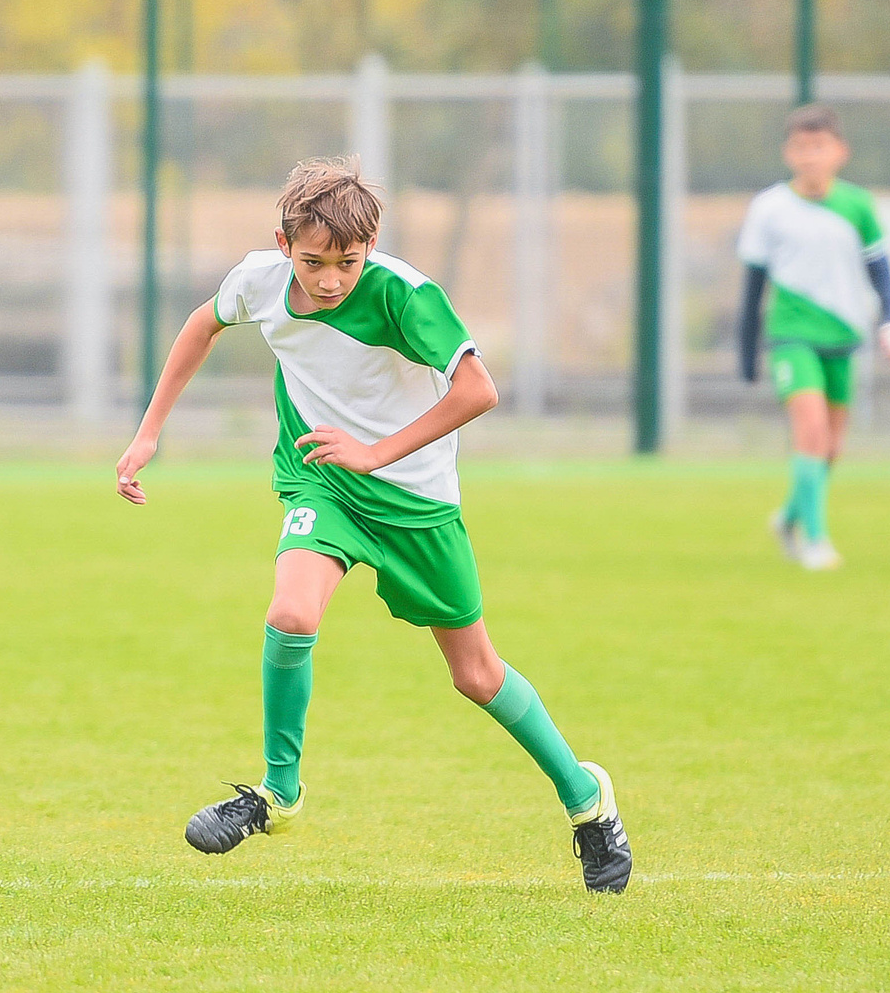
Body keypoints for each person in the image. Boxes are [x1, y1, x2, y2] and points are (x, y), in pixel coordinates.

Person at [115, 157, 633, 890]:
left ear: (372, 243)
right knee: (291, 612)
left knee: (476, 674)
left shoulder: (405, 294)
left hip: (416, 500)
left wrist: (376, 452)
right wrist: (148, 432)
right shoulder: (260, 280)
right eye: (314, 261)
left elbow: (479, 389)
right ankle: (278, 794)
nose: (330, 279)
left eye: (347, 262)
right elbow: (202, 325)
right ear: (283, 242)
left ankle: (589, 802)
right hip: (322, 479)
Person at [736, 104, 890, 568]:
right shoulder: (769, 208)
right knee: (810, 432)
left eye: (819, 147)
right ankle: (815, 540)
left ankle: (789, 515)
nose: (810, 157)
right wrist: (746, 351)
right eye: (801, 148)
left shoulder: (857, 206)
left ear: (840, 152)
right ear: (788, 153)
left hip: (843, 336)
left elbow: (881, 269)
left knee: (830, 447)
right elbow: (753, 285)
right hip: (791, 336)